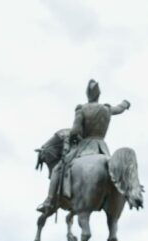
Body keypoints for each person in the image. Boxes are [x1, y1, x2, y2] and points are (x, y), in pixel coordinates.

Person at [37, 79, 131, 212]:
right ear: (99, 94)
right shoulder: (107, 108)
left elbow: (76, 131)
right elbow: (120, 108)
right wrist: (126, 103)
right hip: (102, 148)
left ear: (88, 95)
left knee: (58, 168)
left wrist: (73, 137)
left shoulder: (81, 109)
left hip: (85, 147)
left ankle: (49, 200)